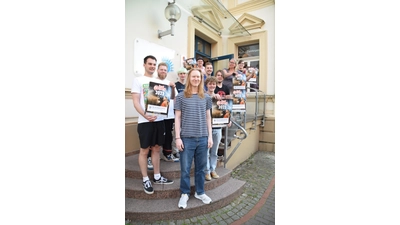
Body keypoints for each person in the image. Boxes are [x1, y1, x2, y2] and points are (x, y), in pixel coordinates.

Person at [131, 55, 174, 195]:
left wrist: (172, 87)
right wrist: (145, 115)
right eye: (149, 64)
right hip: (145, 121)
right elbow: (136, 101)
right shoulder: (138, 80)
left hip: (159, 121)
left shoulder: (158, 81)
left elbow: (169, 98)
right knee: (144, 150)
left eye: (154, 64)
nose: (152, 66)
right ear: (144, 65)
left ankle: (157, 176)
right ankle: (145, 179)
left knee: (156, 149)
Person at [174, 68, 213, 209]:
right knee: (185, 169)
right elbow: (177, 118)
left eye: (198, 77)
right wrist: (177, 138)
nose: (196, 79)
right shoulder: (180, 96)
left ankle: (200, 192)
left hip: (203, 138)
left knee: (201, 168)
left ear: (201, 79)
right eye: (193, 76)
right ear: (189, 78)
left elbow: (208, 117)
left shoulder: (206, 97)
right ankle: (184, 193)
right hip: (186, 138)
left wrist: (210, 137)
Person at [204, 76, 232, 181]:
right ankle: (206, 171)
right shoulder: (203, 96)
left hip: (217, 128)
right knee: (206, 152)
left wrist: (227, 120)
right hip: (206, 128)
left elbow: (224, 110)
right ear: (206, 85)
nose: (212, 86)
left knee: (214, 152)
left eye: (213, 84)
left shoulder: (219, 97)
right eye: (210, 84)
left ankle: (212, 169)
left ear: (216, 85)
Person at [156, 62, 179, 162]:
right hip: (155, 115)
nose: (163, 71)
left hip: (168, 115)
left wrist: (173, 88)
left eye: (165, 70)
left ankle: (167, 153)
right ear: (157, 70)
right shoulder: (152, 82)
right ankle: (149, 156)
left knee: (168, 135)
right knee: (155, 135)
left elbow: (174, 98)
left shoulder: (170, 83)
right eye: (161, 69)